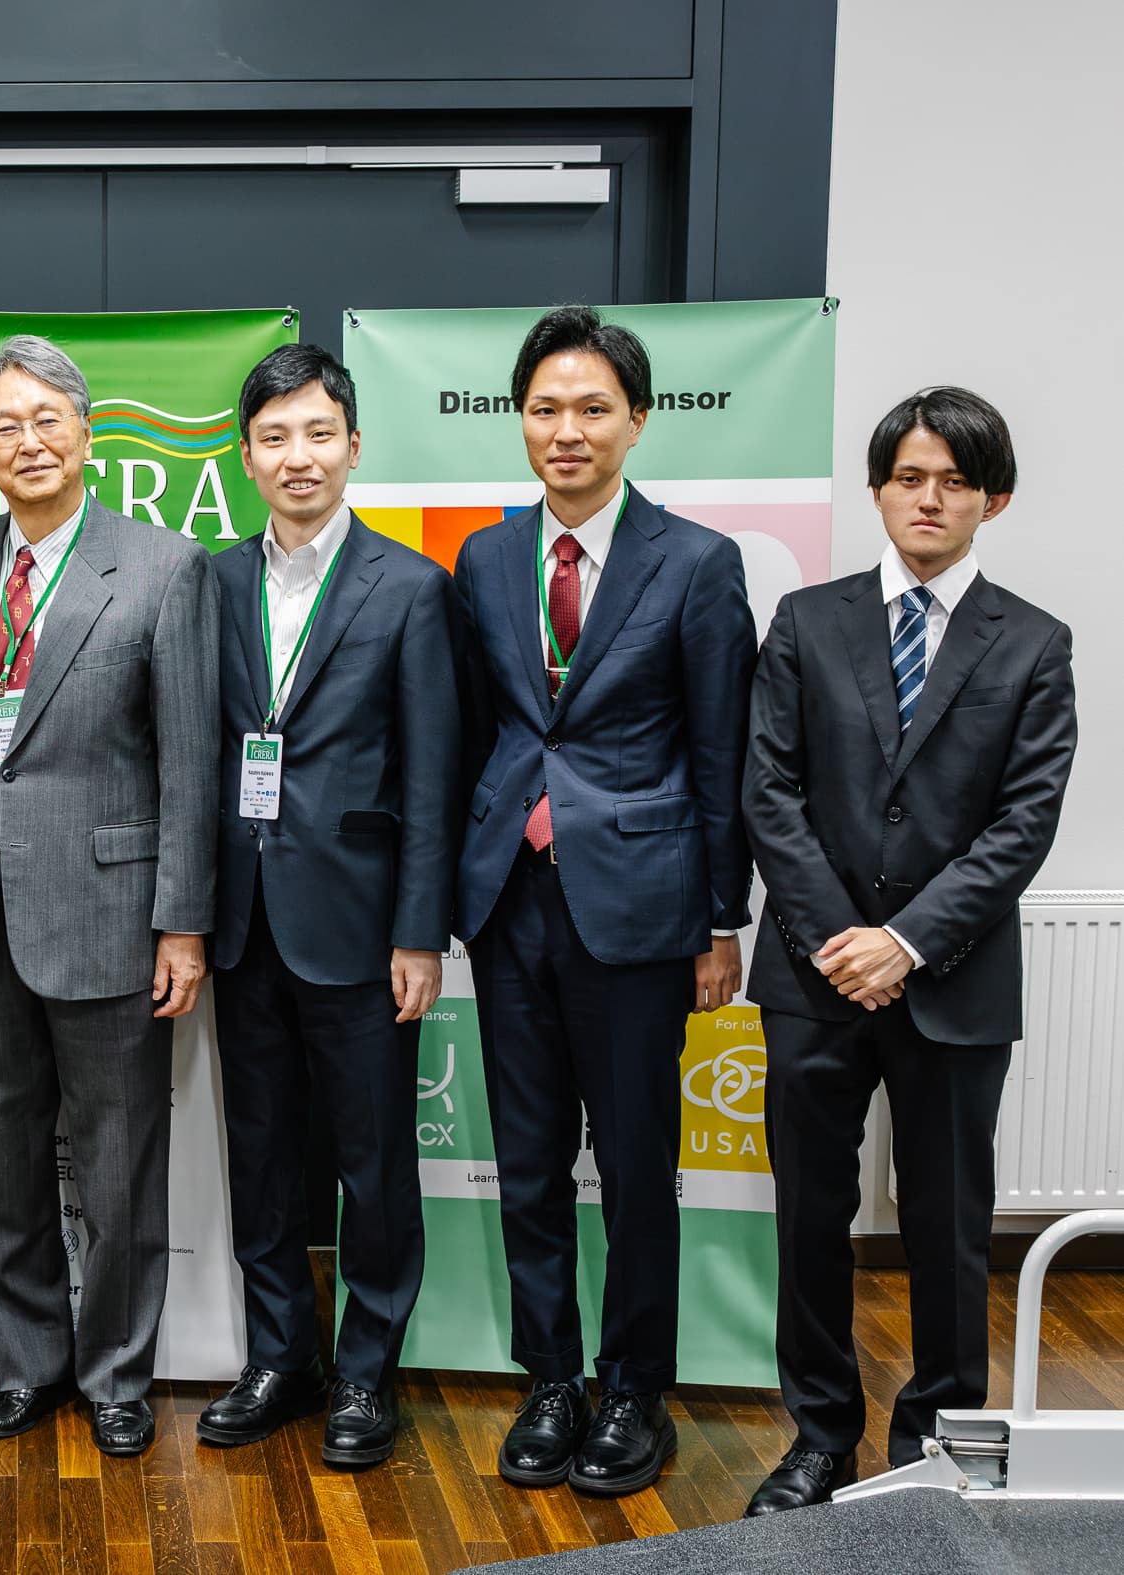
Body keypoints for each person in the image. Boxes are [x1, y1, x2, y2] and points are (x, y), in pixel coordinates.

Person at [742, 388, 1074, 1514]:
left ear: (994, 498)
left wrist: (907, 941)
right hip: (812, 973)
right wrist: (843, 940)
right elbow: (769, 792)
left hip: (953, 981)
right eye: (907, 477)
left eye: (953, 481)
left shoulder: (1032, 642)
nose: (927, 498)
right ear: (878, 488)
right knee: (808, 1218)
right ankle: (819, 1434)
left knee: (944, 1226)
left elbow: (1022, 824)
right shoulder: (804, 621)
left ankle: (935, 1437)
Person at [452, 306, 755, 1497]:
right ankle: (551, 1380)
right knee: (526, 1164)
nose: (564, 430)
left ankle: (634, 1388)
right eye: (543, 408)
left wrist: (722, 919)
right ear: (518, 420)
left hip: (639, 906)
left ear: (635, 420)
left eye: (589, 409)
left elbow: (720, 747)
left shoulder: (694, 561)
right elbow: (479, 733)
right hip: (508, 900)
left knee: (633, 1167)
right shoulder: (482, 557)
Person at [0, 334, 216, 1458]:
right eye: (5, 424)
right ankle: (25, 1364)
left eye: (48, 418)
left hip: (109, 914)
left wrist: (181, 920)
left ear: (87, 434)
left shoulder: (161, 565)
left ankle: (117, 1373)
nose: (29, 440)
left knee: (118, 1165)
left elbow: (187, 759)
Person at [199, 345, 465, 1466]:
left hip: (361, 929)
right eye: (273, 437)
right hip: (240, 918)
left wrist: (418, 931)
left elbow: (431, 775)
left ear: (353, 447)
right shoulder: (207, 582)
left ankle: (365, 1373)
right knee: (258, 1157)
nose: (296, 456)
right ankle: (281, 1356)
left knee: (373, 1164)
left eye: (317, 434)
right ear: (246, 456)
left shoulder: (409, 587)